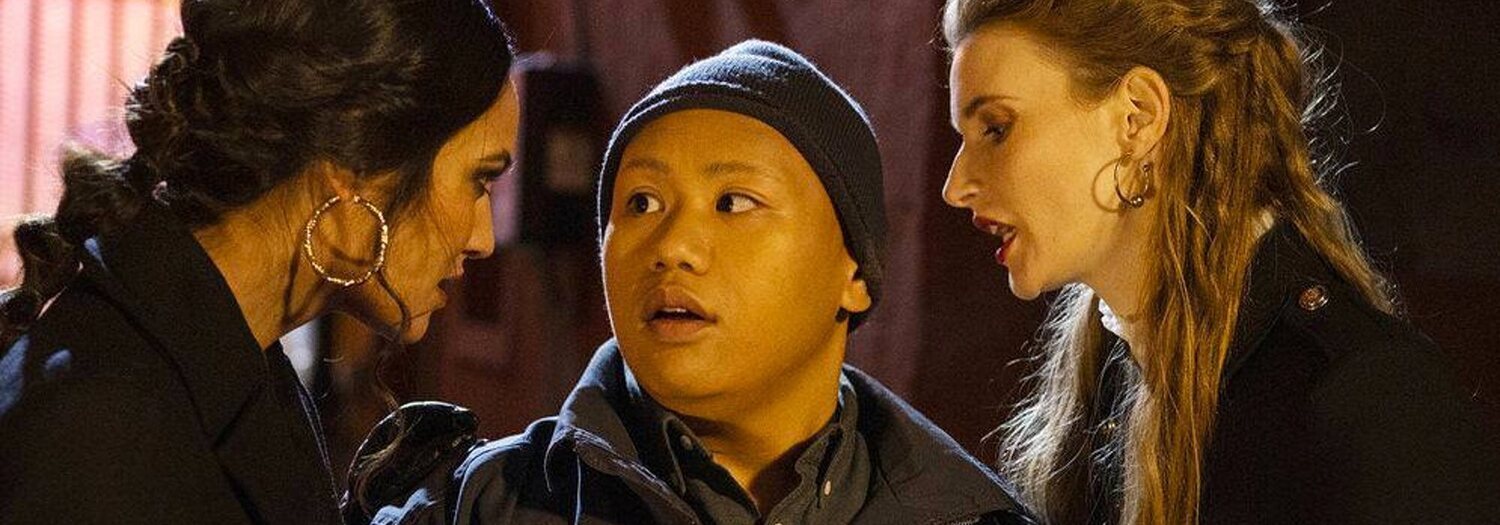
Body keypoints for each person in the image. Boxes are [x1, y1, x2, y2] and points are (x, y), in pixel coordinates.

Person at [344, 40, 1034, 525]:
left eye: (733, 202)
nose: (672, 247)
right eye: (640, 204)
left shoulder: (970, 516)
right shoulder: (477, 508)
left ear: (853, 271)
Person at [940, 0, 1500, 523]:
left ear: (1137, 117)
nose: (955, 186)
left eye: (996, 129)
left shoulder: (1365, 398)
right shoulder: (1107, 377)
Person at [0, 0, 518, 523]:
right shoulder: (104, 426)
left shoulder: (237, 371)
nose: (484, 239)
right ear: (356, 164)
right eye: (479, 180)